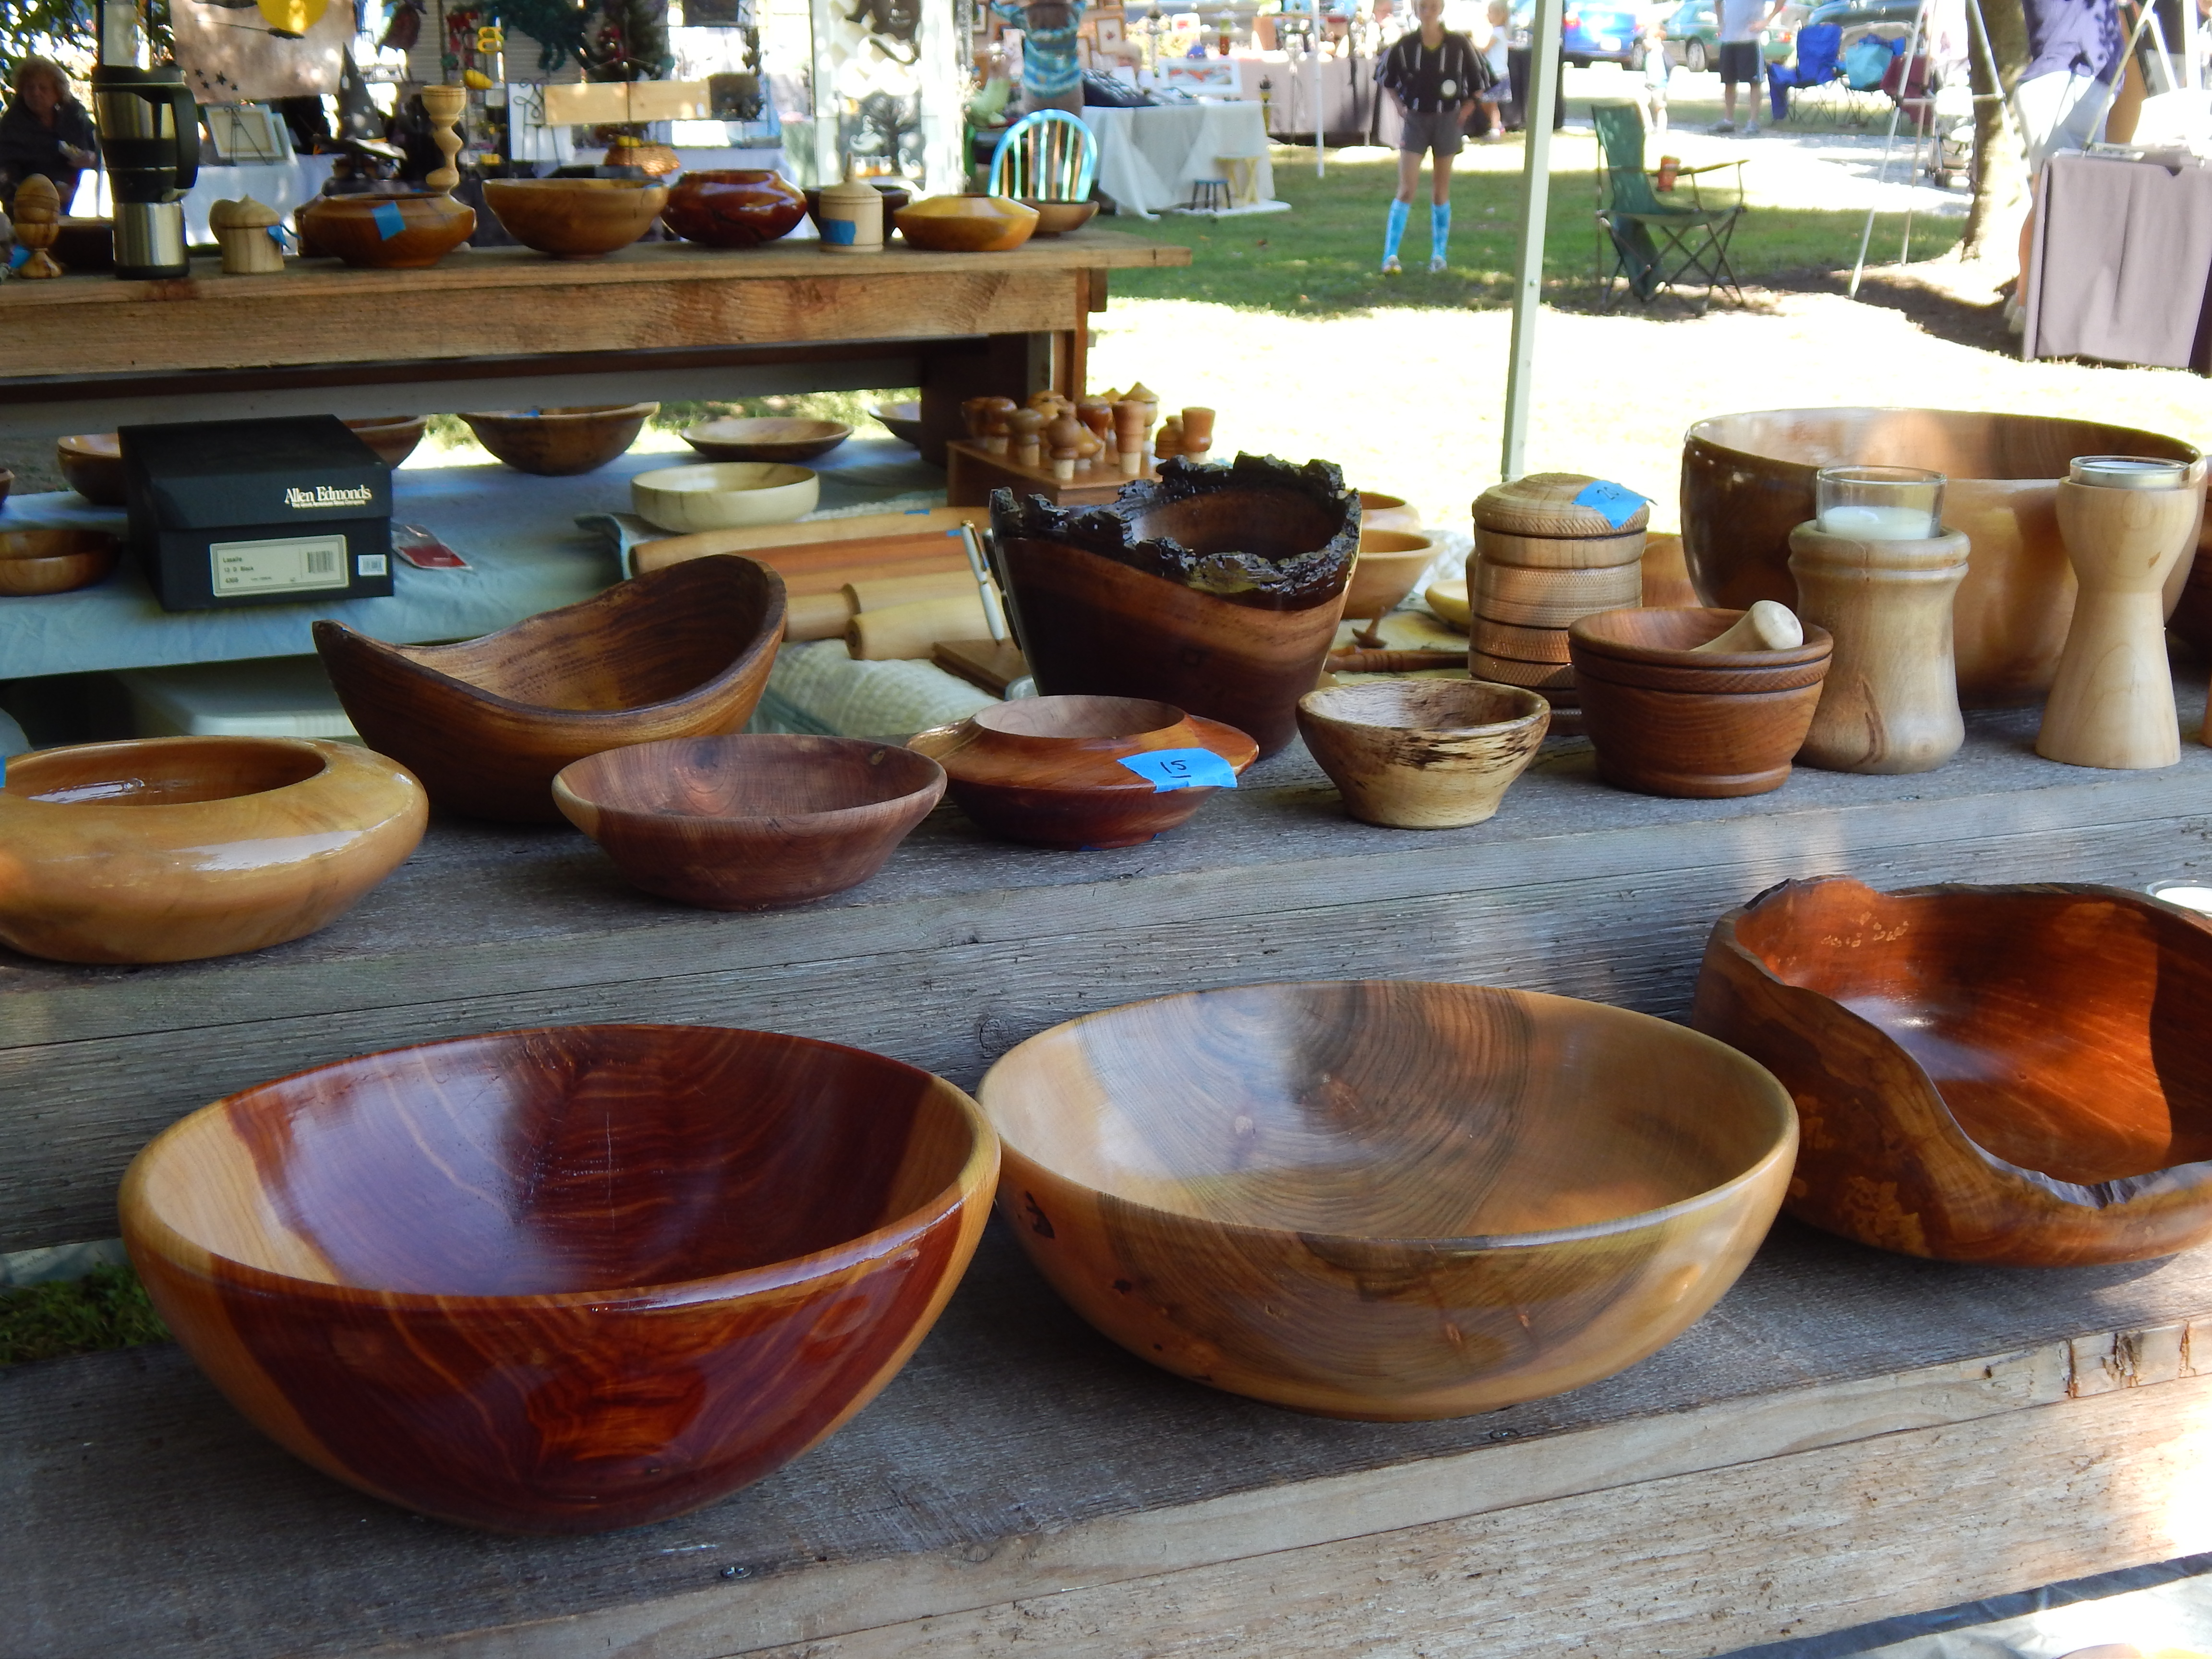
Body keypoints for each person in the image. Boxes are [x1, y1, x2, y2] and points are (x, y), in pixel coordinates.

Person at [2008, 0, 2123, 326]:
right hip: (2061, 83)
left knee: (2057, 204)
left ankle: (2030, 305)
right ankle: (2029, 310)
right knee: (2053, 204)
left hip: (2084, 83)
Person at [1377, 0, 1488, 273]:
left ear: (1441, 7)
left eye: (1433, 5)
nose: (1428, 10)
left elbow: (1480, 80)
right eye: (1422, 5)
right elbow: (1386, 78)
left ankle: (1439, 256)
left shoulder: (1459, 44)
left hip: (1447, 119)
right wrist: (1400, 106)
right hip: (1416, 119)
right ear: (1415, 9)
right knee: (1407, 188)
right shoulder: (1405, 45)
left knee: (1441, 191)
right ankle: (1390, 256)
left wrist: (1468, 107)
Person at [0, 58, 98, 214]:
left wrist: (93, 158)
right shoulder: (12, 125)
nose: (36, 93)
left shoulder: (74, 115)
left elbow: (101, 150)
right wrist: (45, 196)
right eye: (30, 88)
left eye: (43, 88)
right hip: (32, 213)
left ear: (57, 93)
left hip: (82, 205)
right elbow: (5, 179)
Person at [990, 0, 1087, 115]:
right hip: (1069, 87)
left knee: (1036, 127)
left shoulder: (1026, 18)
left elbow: (997, 5)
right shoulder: (1073, 15)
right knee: (1071, 126)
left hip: (1036, 89)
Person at [1711, 0, 1774, 133]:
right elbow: (1717, 2)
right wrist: (1721, 23)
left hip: (1751, 39)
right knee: (1729, 81)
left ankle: (1753, 122)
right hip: (1729, 39)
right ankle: (1728, 121)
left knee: (1754, 81)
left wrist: (1766, 21)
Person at [1477, 0, 1512, 137]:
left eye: (1491, 13)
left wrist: (1474, 48)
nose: (1488, 15)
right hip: (1496, 72)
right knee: (1486, 102)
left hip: (1497, 74)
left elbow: (1485, 49)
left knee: (1492, 104)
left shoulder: (1497, 33)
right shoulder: (1499, 32)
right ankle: (1497, 125)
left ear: (1500, 15)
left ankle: (1495, 130)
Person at [1639, 10, 1671, 129]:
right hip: (1649, 84)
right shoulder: (1650, 51)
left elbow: (1648, 43)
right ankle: (1648, 126)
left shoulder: (1659, 48)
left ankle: (1661, 129)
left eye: (1649, 38)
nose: (1646, 41)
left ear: (1658, 39)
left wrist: (1651, 37)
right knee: (1642, 102)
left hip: (1659, 84)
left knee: (1660, 107)